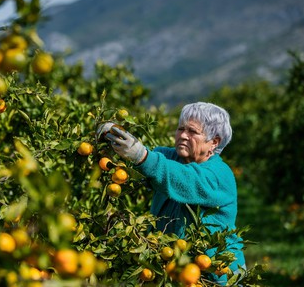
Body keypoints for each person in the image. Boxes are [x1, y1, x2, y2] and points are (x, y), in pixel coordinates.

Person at [98, 102, 245, 284]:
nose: (183, 135)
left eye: (192, 132)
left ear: (213, 142)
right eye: (180, 129)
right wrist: (113, 138)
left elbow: (184, 179)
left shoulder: (220, 175)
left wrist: (141, 156)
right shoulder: (170, 157)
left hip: (214, 275)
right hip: (171, 268)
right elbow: (144, 163)